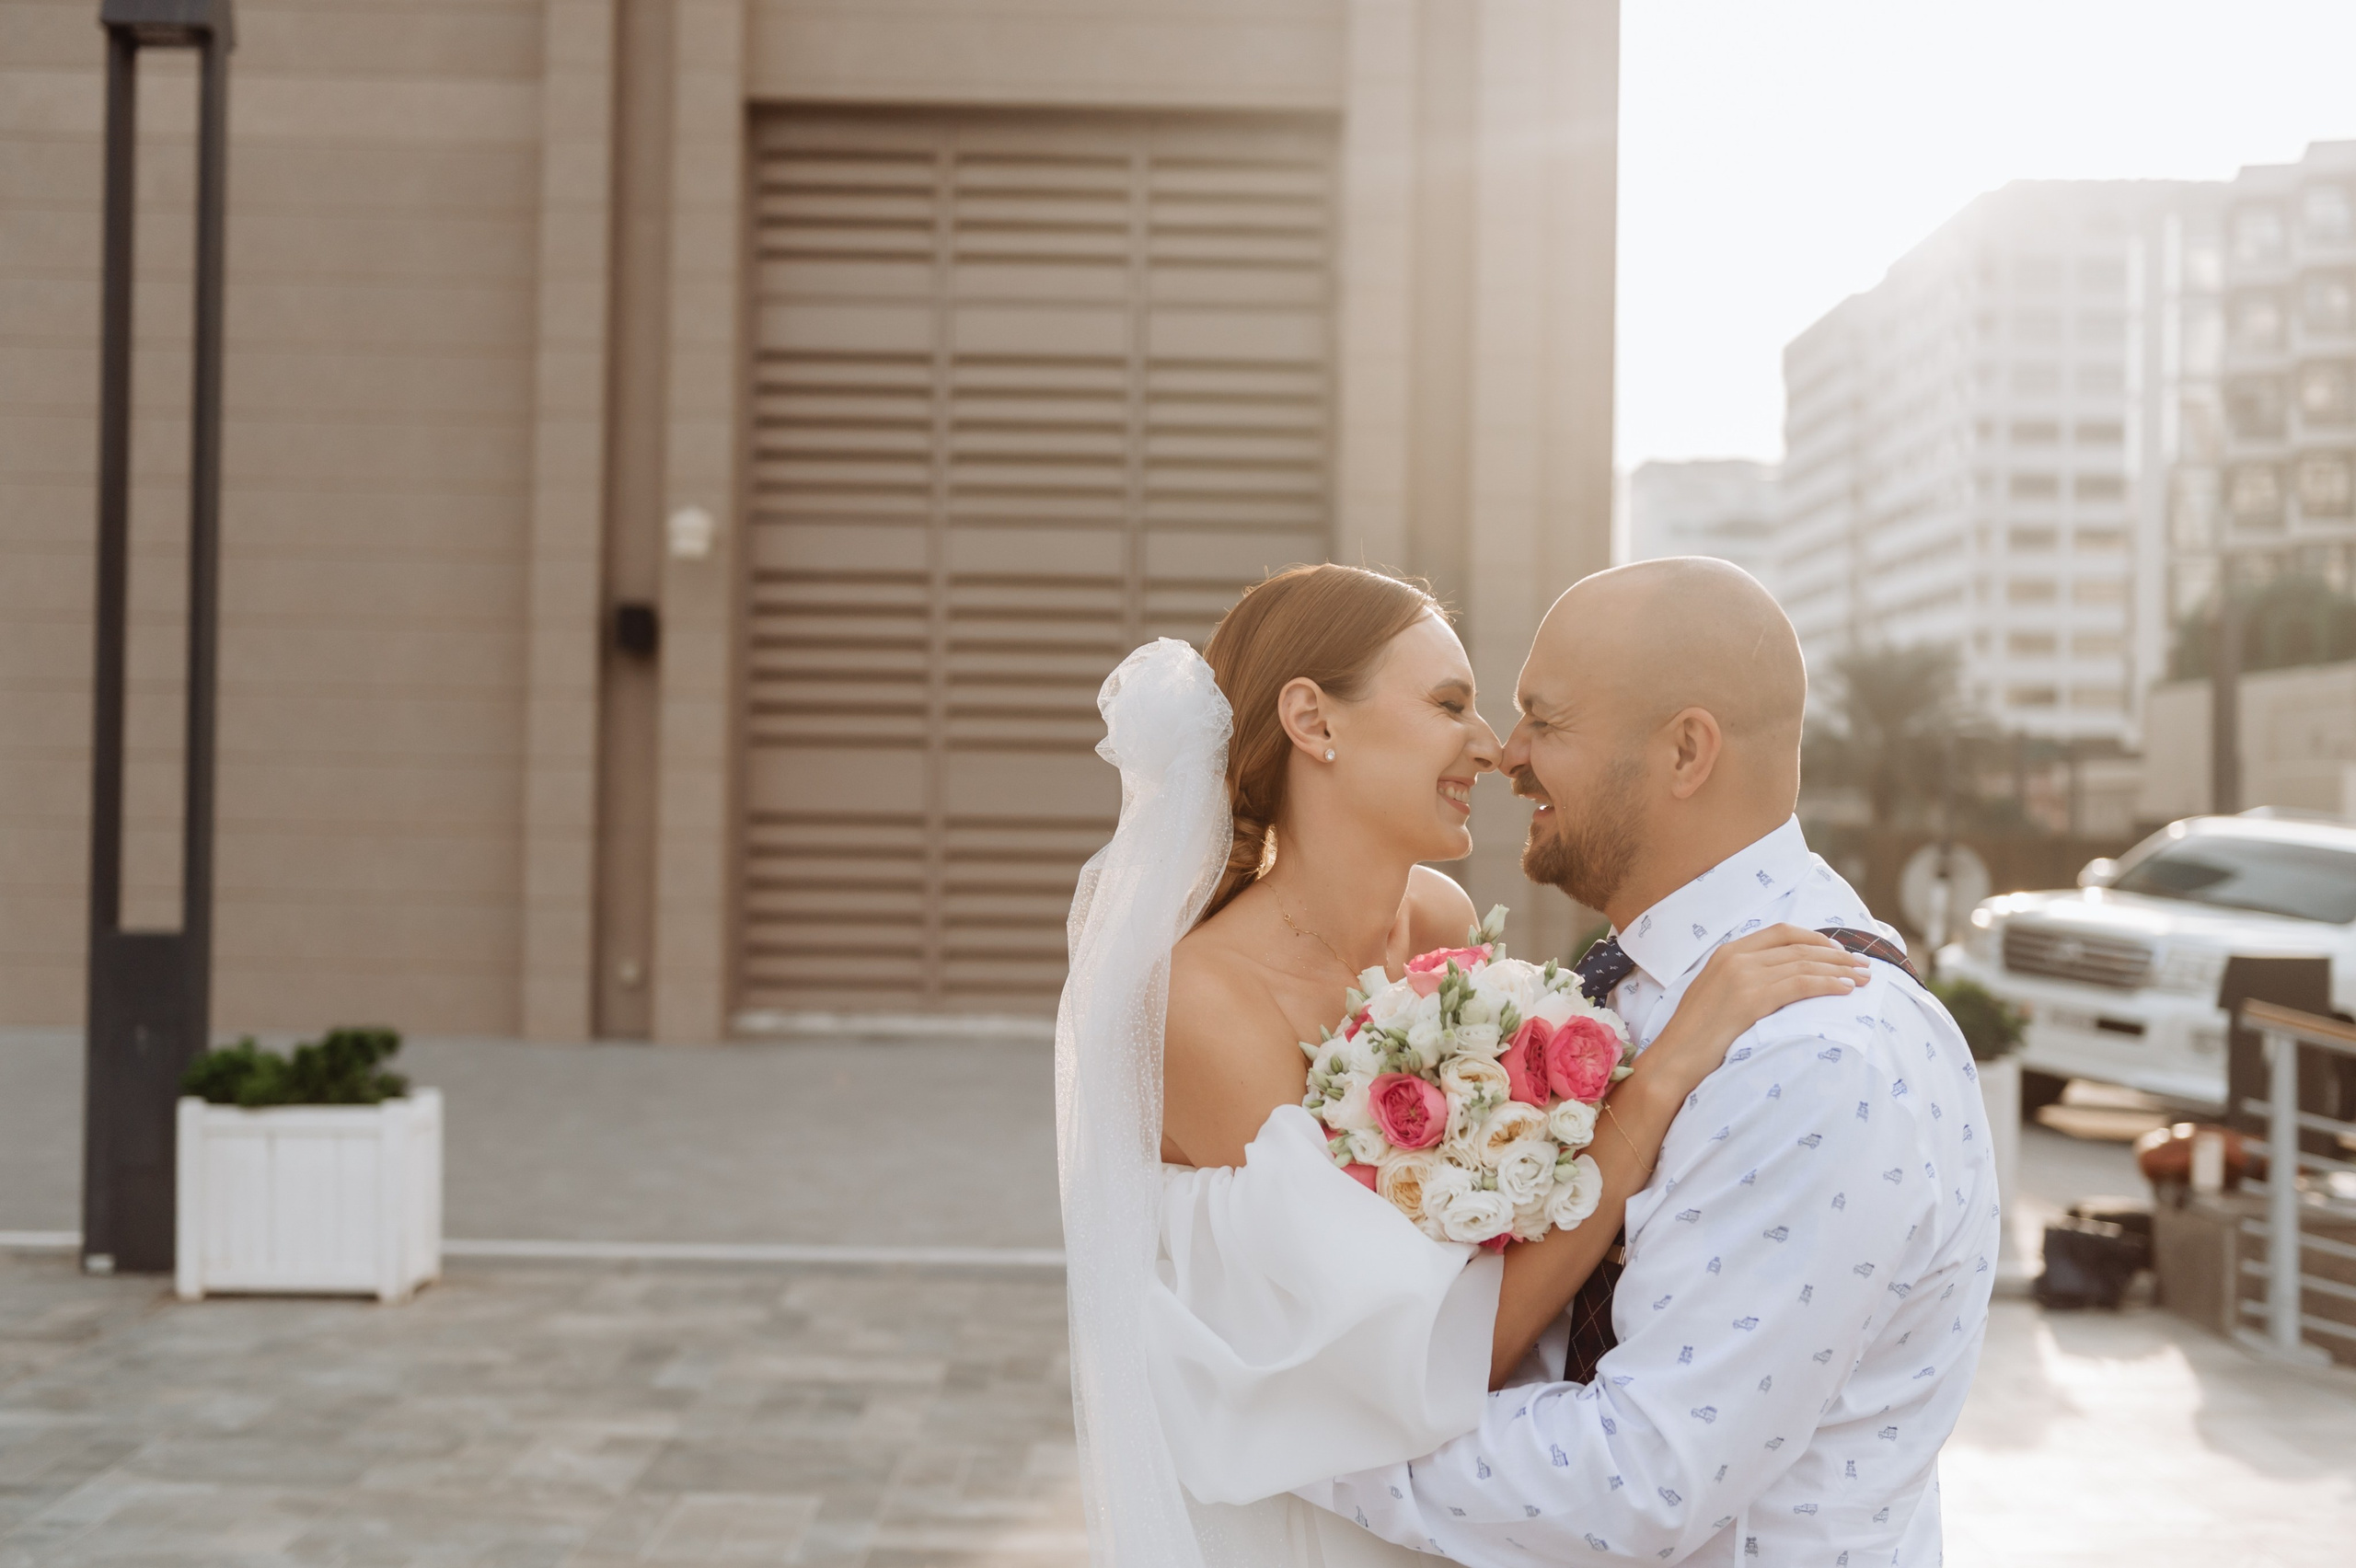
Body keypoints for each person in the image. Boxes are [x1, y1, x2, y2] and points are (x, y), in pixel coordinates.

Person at [1055, 563, 1873, 1568]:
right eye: (1450, 705)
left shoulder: (1440, 924)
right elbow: (1434, 1346)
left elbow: (1503, 1228)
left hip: (1463, 1503)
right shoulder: (1201, 1004)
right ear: (1313, 721)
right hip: (1313, 1520)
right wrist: (1663, 1076)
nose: (1491, 747)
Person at [1295, 558, 2003, 1564]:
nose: (1507, 755)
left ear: (1685, 751)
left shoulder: (1817, 1056)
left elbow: (1640, 1480)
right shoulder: (1633, 992)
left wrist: (1298, 1423)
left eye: (1545, 720)